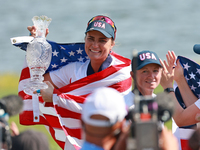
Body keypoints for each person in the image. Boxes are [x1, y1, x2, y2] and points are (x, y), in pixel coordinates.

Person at [20, 15, 132, 150]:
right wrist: (38, 45)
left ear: (112, 43)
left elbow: (103, 110)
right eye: (91, 39)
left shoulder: (122, 73)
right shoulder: (75, 69)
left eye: (102, 40)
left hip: (116, 144)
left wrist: (56, 97)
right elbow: (38, 83)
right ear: (85, 39)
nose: (95, 45)